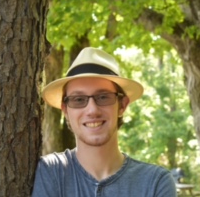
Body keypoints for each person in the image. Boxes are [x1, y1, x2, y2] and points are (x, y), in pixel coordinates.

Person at [32, 47, 177, 197]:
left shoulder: (155, 182)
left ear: (122, 105)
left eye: (103, 97)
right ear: (65, 110)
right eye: (79, 100)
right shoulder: (51, 172)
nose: (92, 110)